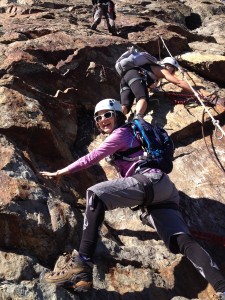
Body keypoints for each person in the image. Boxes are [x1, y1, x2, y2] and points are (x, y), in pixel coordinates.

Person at [40, 99, 225, 299]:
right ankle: (222, 288)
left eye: (107, 115)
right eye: (98, 117)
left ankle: (82, 264)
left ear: (118, 115)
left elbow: (91, 158)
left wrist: (61, 172)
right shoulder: (131, 135)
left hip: (149, 181)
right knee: (182, 240)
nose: (102, 120)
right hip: (163, 190)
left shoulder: (121, 133)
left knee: (95, 194)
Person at [120, 57, 198, 118]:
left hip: (126, 78)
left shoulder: (154, 72)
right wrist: (196, 93)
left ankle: (117, 120)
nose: (173, 72)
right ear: (167, 65)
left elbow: (146, 87)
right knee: (142, 98)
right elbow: (178, 82)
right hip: (135, 75)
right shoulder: (162, 70)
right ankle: (138, 119)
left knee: (126, 105)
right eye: (173, 69)